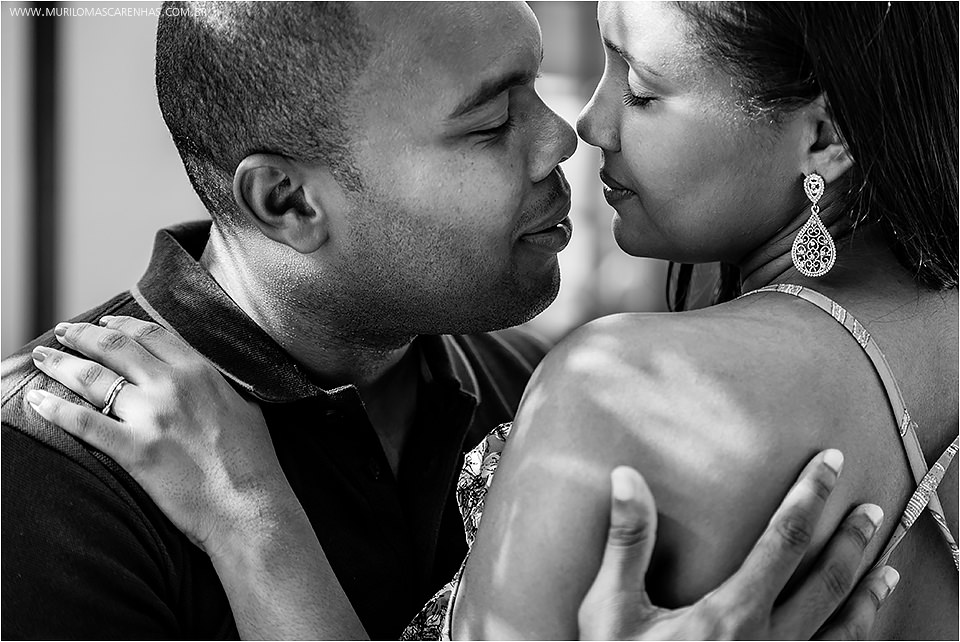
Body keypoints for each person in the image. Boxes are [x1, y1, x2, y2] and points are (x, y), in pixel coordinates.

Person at [0, 0, 912, 639]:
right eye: (489, 123)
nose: (562, 137)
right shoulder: (50, 469)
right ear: (288, 201)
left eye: (537, 84)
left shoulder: (531, 384)